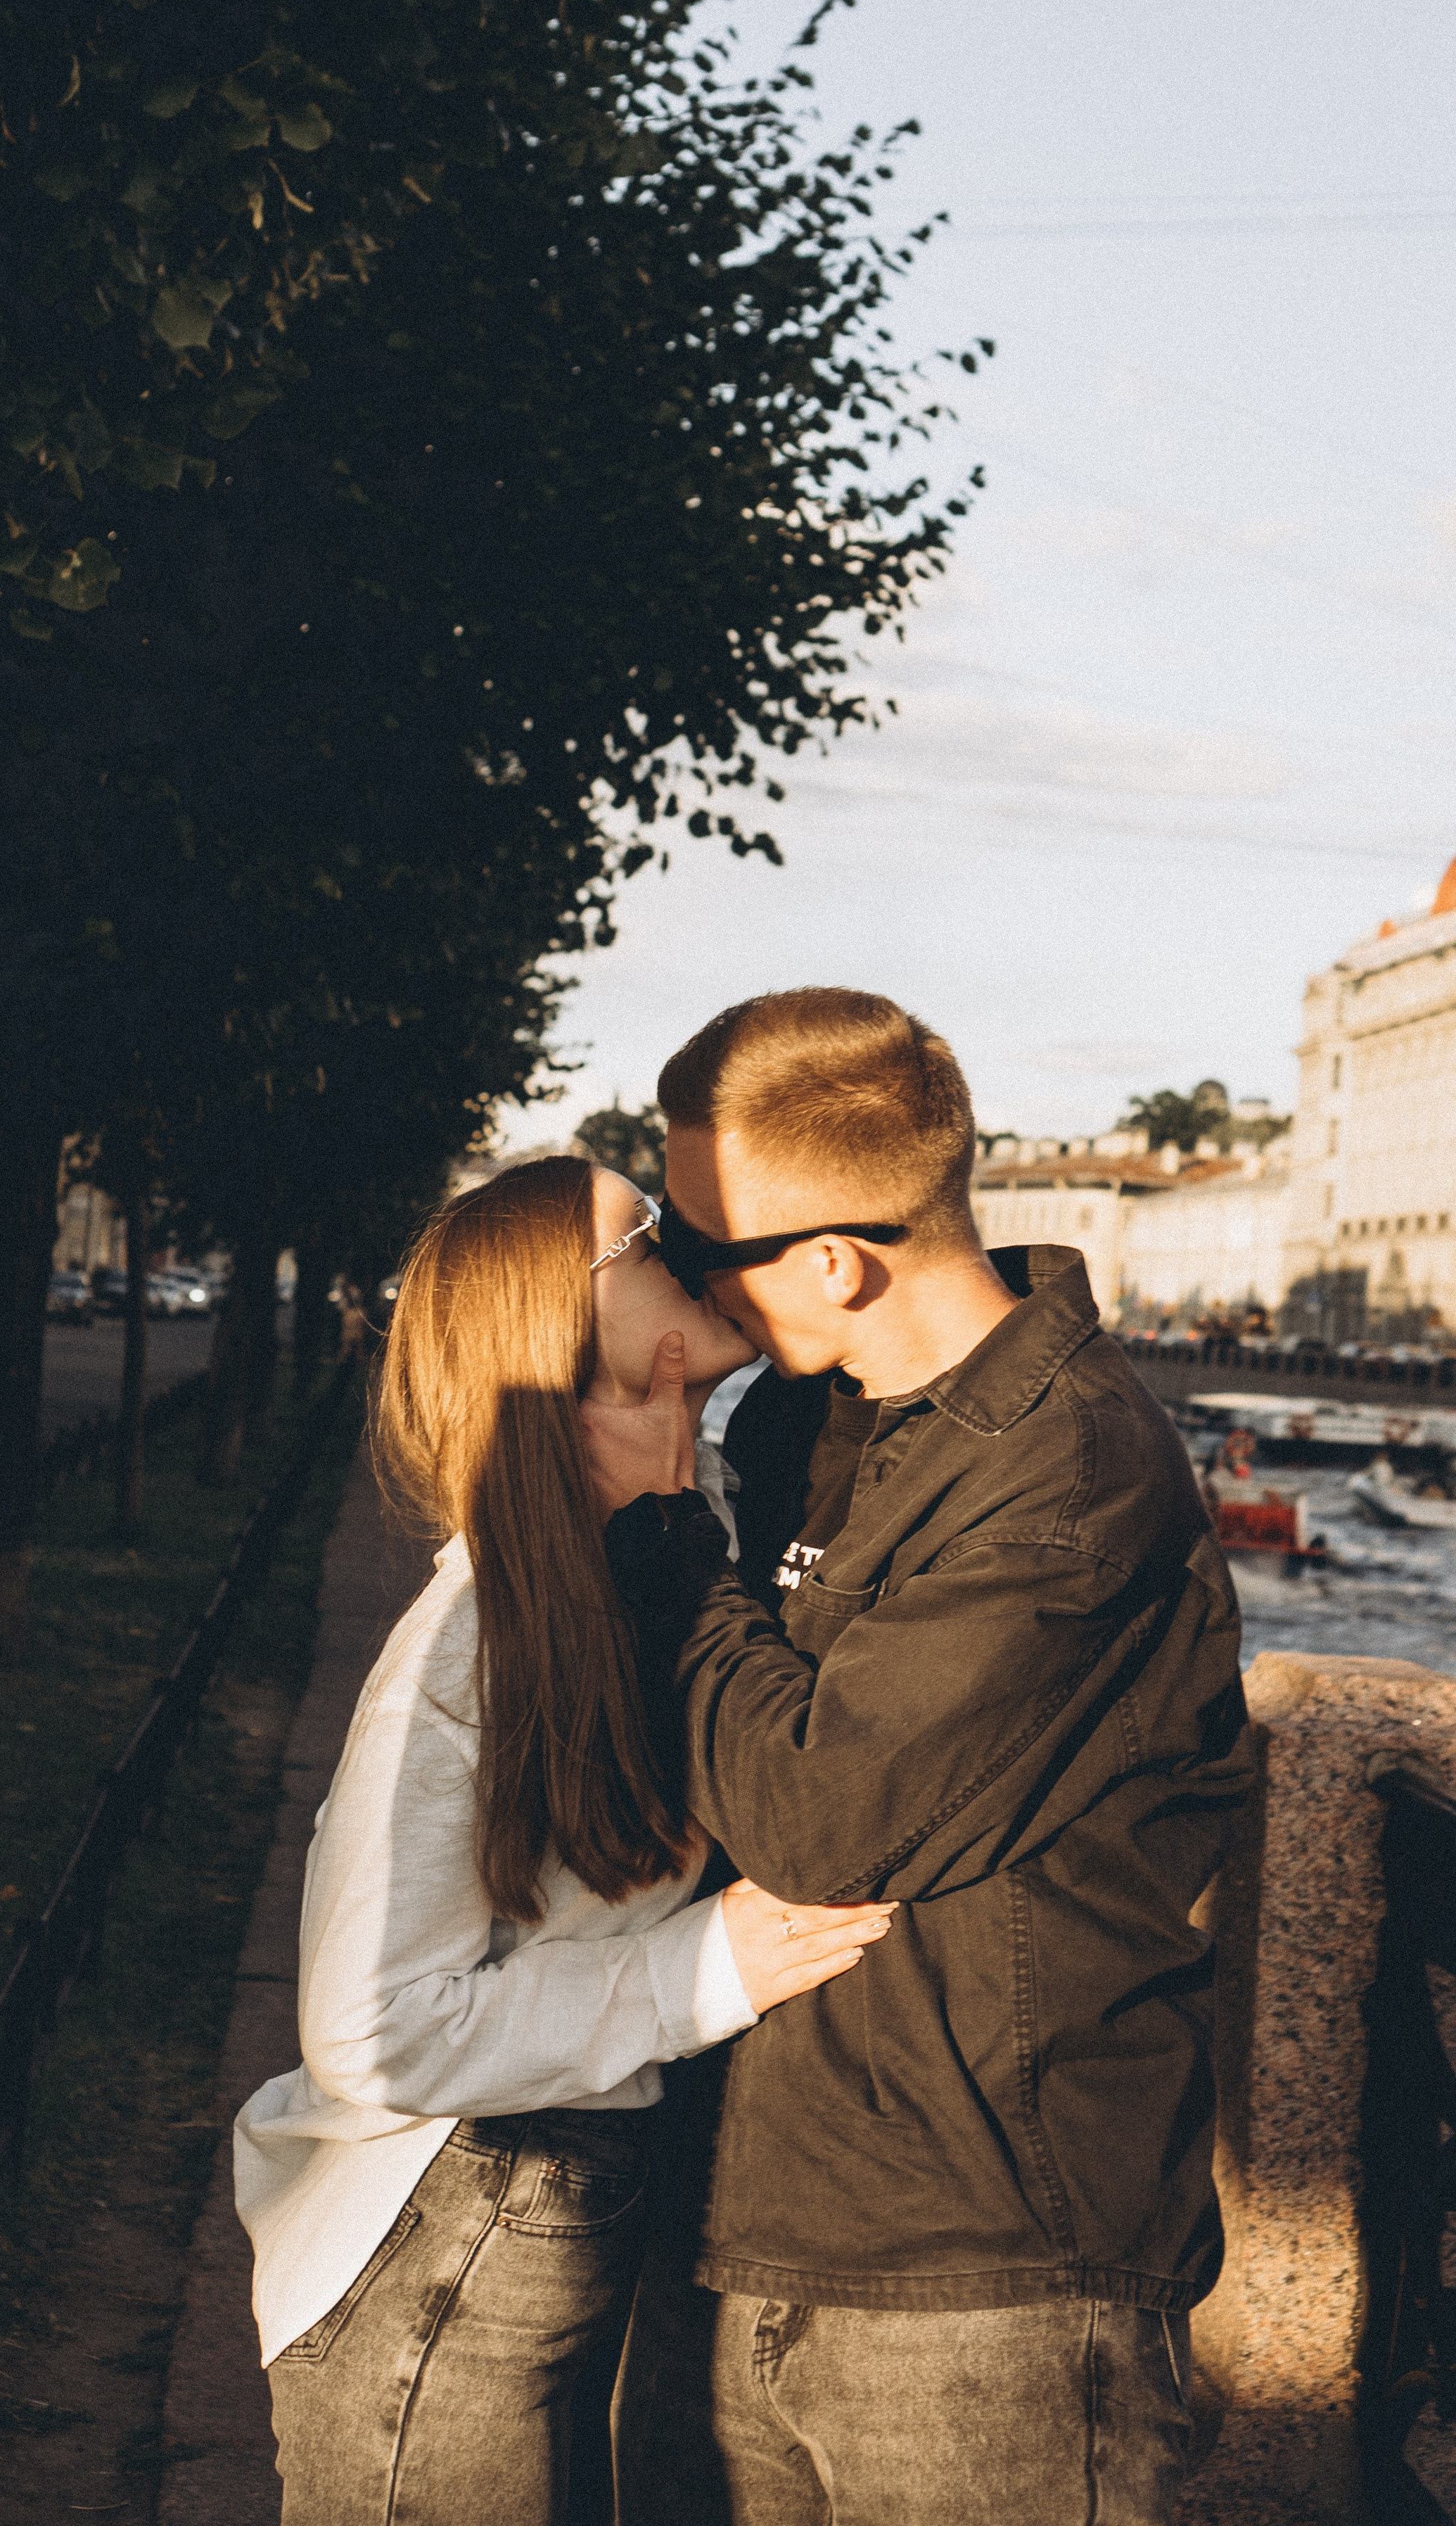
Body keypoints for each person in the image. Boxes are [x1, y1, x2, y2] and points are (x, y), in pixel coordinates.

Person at [582, 989, 1255, 2526]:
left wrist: (663, 1544)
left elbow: (821, 1813)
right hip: (749, 2214)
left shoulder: (1070, 1474)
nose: (684, 1282)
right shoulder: (799, 1422)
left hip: (989, 2280)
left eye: (697, 1248)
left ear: (832, 1261)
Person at [234, 1155, 897, 2525]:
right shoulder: (478, 1631)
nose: (696, 1247)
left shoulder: (696, 1525)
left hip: (552, 2209)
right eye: (649, 1238)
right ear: (563, 1324)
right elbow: (367, 2028)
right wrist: (698, 1969)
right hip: (448, 2227)